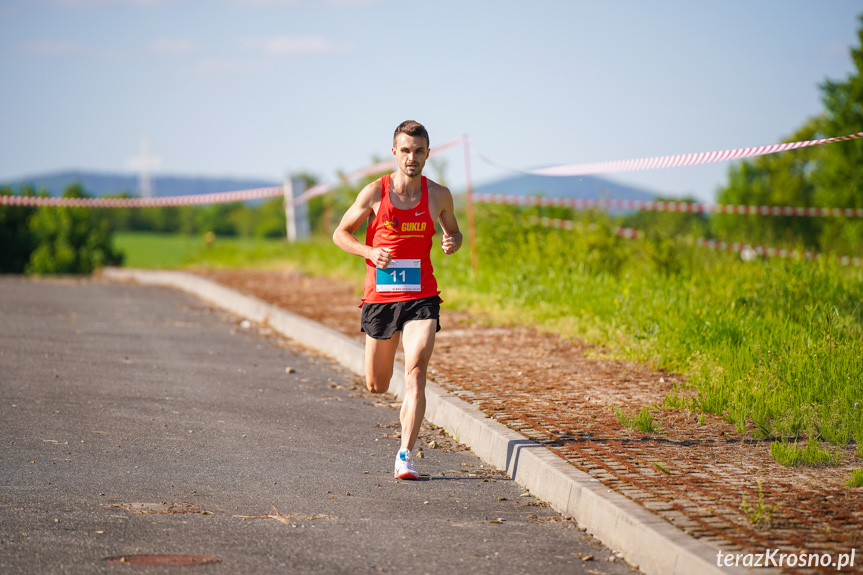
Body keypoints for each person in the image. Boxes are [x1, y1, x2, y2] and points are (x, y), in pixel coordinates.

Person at [333, 120, 462, 480]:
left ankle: (405, 454)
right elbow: (340, 234)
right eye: (405, 150)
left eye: (419, 150)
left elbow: (454, 231)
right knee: (377, 384)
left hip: (422, 295)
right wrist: (369, 252)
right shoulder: (375, 193)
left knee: (417, 372)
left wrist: (453, 241)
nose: (412, 157)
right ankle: (401, 429)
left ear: (427, 154)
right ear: (394, 152)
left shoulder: (438, 195)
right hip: (382, 297)